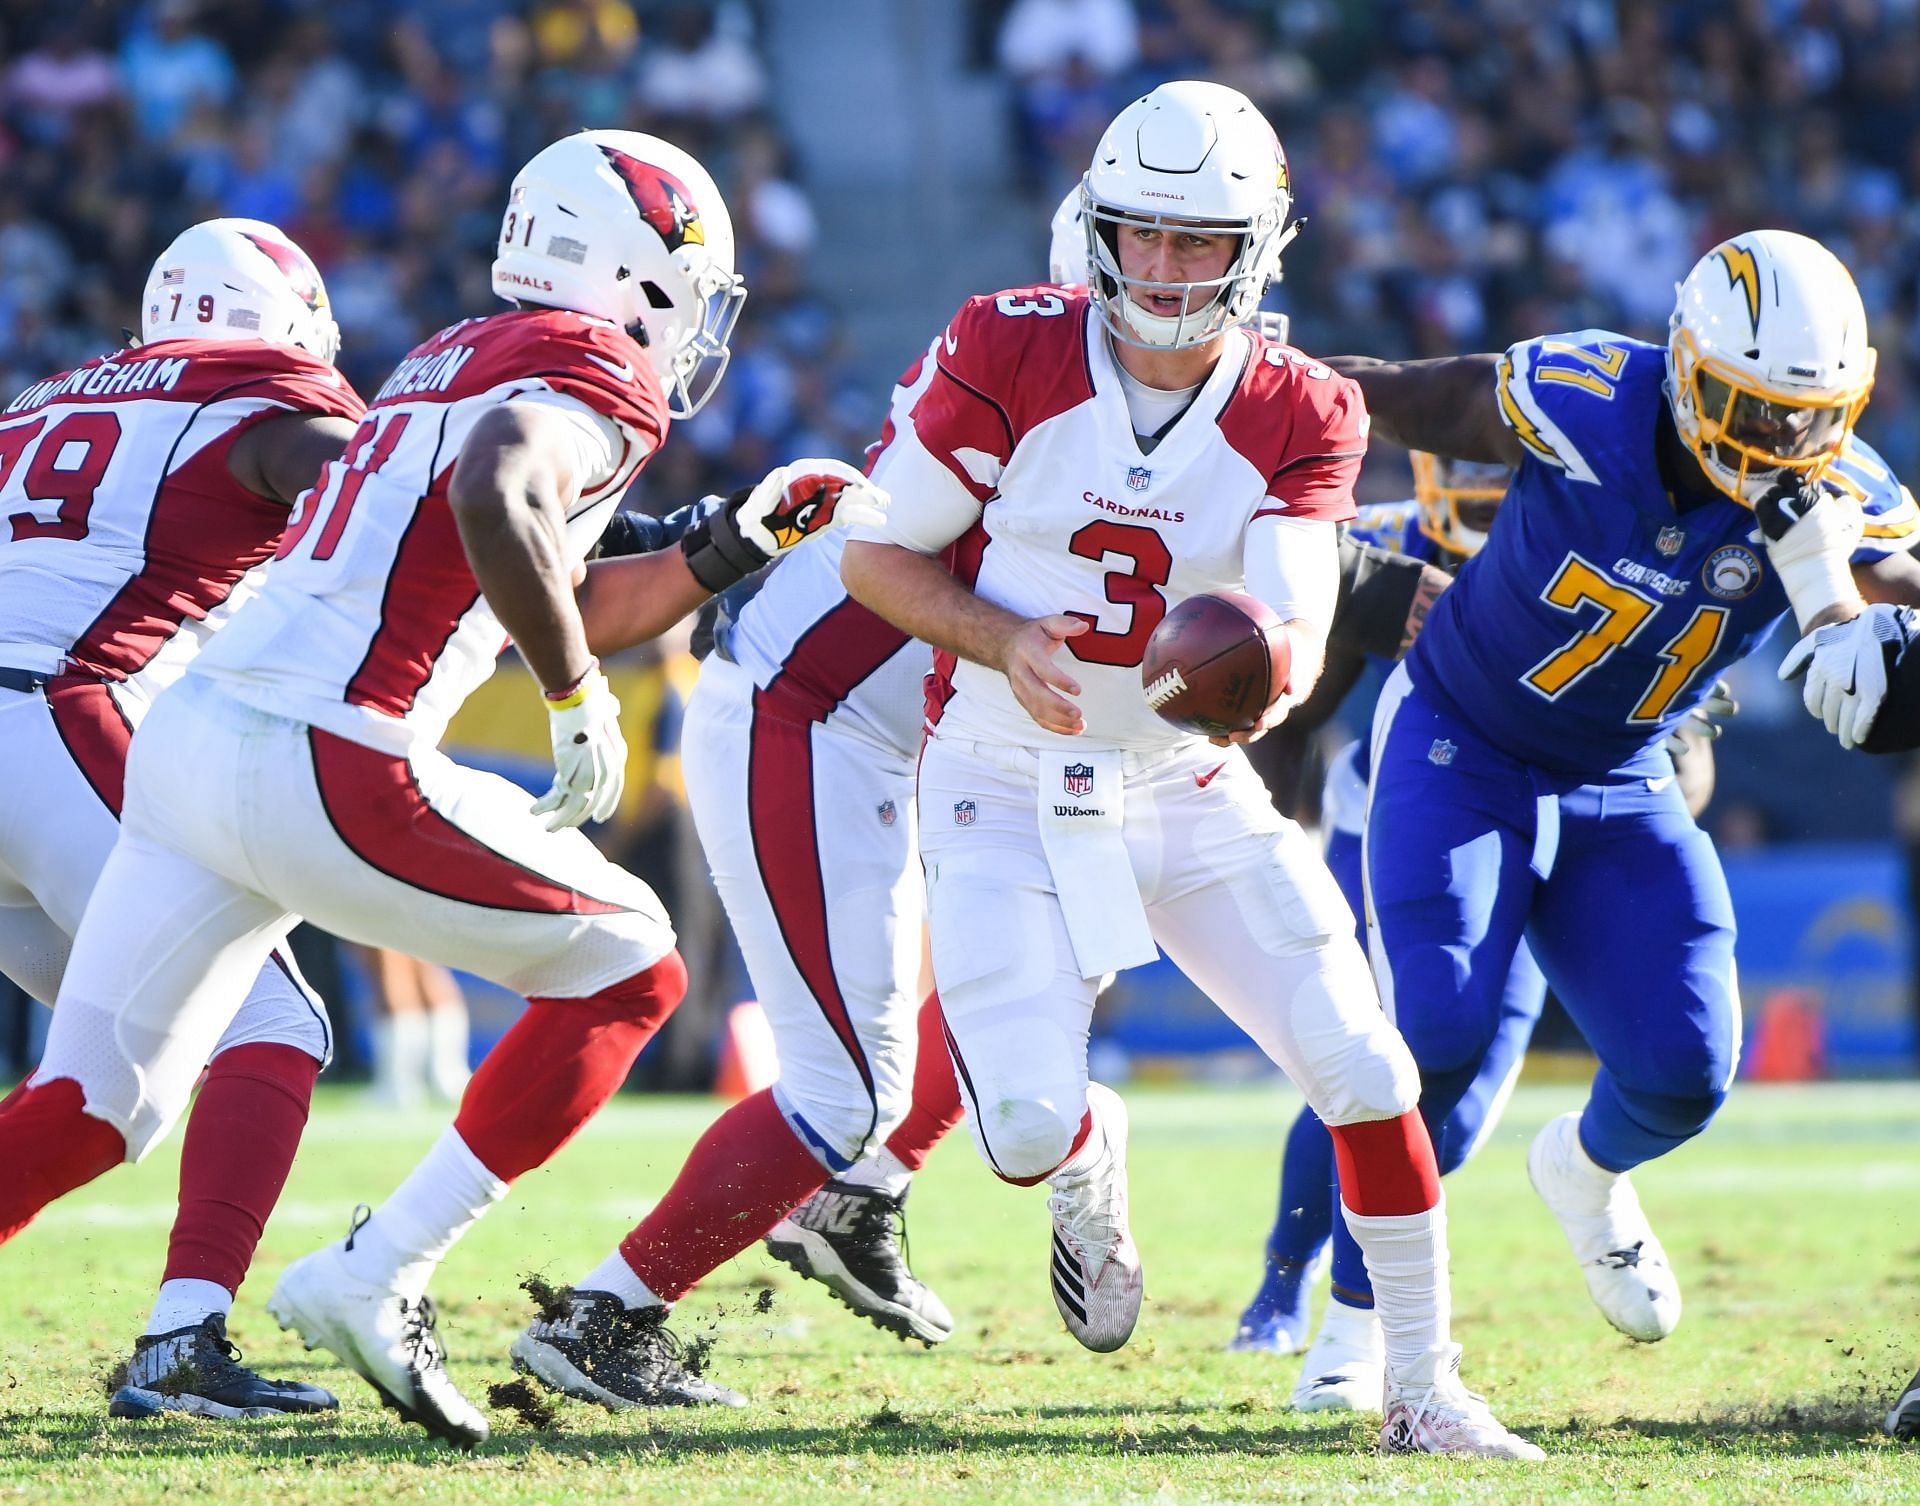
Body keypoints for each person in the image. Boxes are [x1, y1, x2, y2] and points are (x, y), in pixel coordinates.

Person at [0, 129, 882, 1449]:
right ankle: (379, 1268)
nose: (693, 319)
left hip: (191, 739)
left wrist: (728, 544)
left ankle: (270, 1300)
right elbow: (501, 483)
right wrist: (577, 693)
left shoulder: (446, 350)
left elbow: (553, 565)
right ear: (635, 271)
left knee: (92, 1105)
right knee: (635, 965)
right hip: (321, 746)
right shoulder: (586, 367)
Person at [839, 81, 1540, 1458]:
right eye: (1141, 234)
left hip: (1180, 773)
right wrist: (996, 630)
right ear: (1097, 228)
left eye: (1197, 240)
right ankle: (1086, 1159)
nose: (1162, 268)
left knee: (1364, 1060)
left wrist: (1262, 665)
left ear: (1257, 248)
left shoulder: (1304, 404)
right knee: (1025, 1124)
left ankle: (1421, 1384)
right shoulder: (1010, 344)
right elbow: (872, 550)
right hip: (998, 765)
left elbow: (1287, 611)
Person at [1324, 230, 1920, 1363]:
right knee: (1433, 1031)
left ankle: (1585, 1176)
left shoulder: (1835, 496)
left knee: (1686, 1071)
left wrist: (1866, 628)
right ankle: (1356, 1328)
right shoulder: (1591, 396)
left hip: (1623, 774)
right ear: (1688, 364)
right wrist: (1264, 388)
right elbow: (1416, 398)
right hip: (1465, 736)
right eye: (1750, 409)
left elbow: (1907, 592)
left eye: (1808, 416)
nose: (1782, 443)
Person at [1232, 458, 1732, 1413]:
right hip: (1403, 815)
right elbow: (1297, 708)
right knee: (1395, 1065)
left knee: (1464, 1116)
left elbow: (1688, 756)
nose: (1483, 495)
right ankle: (1302, 1298)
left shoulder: (1626, 527)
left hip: (1580, 813)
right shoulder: (1391, 542)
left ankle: (1587, 1172)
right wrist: (1267, 840)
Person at [0, 218, 364, 1420]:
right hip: (49, 718)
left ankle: (181, 1339)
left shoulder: (43, 403)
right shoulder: (258, 405)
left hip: (32, 725)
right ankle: (182, 1338)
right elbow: (387, 496)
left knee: (108, 1090)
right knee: (270, 1017)